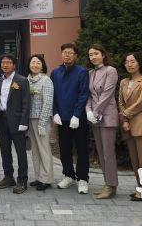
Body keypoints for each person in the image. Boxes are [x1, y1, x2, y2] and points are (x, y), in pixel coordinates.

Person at [51, 43, 90, 194]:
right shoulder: (55, 72)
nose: (67, 55)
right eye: (64, 52)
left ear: (76, 56)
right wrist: (55, 112)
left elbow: (83, 94)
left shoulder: (82, 72)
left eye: (70, 53)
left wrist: (77, 115)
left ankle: (82, 178)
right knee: (64, 149)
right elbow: (52, 94)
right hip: (62, 118)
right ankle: (69, 175)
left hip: (78, 119)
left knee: (82, 149)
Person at [118, 52, 142, 202]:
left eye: (132, 61)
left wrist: (125, 114)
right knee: (134, 159)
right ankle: (140, 187)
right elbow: (120, 102)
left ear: (139, 63)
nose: (129, 64)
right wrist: (124, 120)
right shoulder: (123, 82)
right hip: (127, 124)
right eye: (127, 62)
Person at [85, 44, 119, 199]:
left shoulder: (110, 71)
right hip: (95, 117)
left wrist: (96, 112)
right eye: (90, 54)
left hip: (107, 116)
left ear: (103, 55)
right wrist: (88, 111)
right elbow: (89, 95)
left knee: (108, 153)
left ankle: (111, 185)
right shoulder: (90, 73)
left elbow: (107, 94)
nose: (93, 57)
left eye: (96, 53)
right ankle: (107, 183)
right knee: (100, 151)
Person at [0, 53, 31, 194]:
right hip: (2, 120)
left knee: (20, 152)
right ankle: (8, 176)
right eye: (3, 63)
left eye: (8, 62)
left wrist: (24, 121)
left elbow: (26, 103)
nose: (5, 65)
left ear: (14, 65)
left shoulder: (22, 80)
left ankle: (22, 180)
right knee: (5, 151)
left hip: (17, 121)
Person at [26, 55, 55, 191]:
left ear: (42, 66)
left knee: (44, 149)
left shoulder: (46, 80)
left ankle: (46, 178)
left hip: (41, 119)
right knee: (35, 150)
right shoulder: (26, 80)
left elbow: (48, 102)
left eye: (38, 63)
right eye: (33, 62)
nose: (35, 65)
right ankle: (38, 177)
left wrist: (42, 123)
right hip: (30, 119)